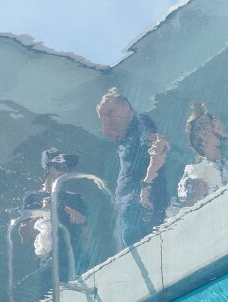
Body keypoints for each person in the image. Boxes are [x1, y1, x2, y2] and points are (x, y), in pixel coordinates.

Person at [96, 88, 170, 249]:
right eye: (104, 116)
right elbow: (106, 131)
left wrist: (146, 188)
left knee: (142, 246)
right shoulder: (127, 135)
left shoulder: (140, 122)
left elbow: (158, 149)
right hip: (129, 204)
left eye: (110, 112)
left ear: (125, 105)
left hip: (139, 200)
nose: (109, 119)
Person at [171, 102, 228, 214]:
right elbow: (189, 211)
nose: (211, 127)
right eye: (203, 125)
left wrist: (226, 134)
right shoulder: (196, 172)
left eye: (210, 122)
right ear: (199, 137)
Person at [18, 149, 88, 280]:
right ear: (47, 167)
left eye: (65, 169)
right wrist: (43, 212)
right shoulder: (32, 198)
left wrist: (80, 219)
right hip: (47, 260)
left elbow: (87, 235)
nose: (62, 172)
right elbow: (25, 237)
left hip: (74, 257)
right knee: (49, 289)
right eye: (58, 167)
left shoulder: (74, 198)